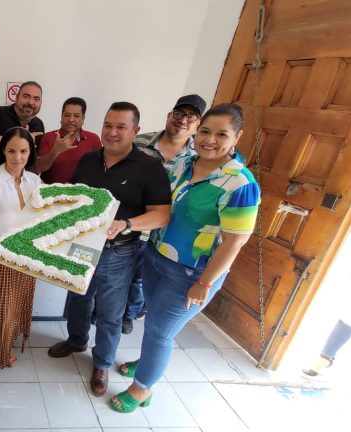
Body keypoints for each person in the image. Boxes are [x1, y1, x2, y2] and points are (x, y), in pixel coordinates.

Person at [110, 103, 261, 413]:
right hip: (156, 256)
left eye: (221, 134)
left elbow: (235, 242)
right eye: (205, 131)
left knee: (161, 332)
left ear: (237, 137)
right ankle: (147, 362)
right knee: (153, 321)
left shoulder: (240, 184)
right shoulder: (183, 164)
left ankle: (142, 388)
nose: (209, 140)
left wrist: (205, 283)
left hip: (192, 274)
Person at [47, 102, 172, 398]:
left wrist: (127, 223)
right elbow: (77, 197)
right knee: (78, 298)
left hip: (119, 251)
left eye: (121, 127)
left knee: (110, 312)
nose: (112, 132)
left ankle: (102, 363)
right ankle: (77, 340)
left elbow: (161, 215)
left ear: (135, 131)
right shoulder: (88, 159)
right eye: (108, 125)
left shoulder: (149, 167)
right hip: (82, 246)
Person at [121, 94, 207, 335]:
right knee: (120, 273)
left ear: (198, 124)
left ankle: (129, 315)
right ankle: (109, 310)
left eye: (191, 117)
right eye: (179, 114)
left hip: (165, 234)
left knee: (140, 280)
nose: (183, 120)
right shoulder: (140, 142)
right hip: (130, 223)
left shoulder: (199, 156)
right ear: (169, 115)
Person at [0, 126, 42, 388]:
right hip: (0, 256)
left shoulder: (35, 181)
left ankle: (4, 347)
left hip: (28, 257)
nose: (17, 157)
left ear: (30, 152)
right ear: (3, 150)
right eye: (12, 151)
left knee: (18, 306)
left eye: (23, 151)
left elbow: (42, 218)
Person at [0, 81, 44, 175]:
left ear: (41, 103)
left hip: (21, 182)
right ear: (17, 98)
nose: (30, 102)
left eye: (36, 99)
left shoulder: (39, 124)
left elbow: (33, 161)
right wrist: (22, 139)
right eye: (26, 96)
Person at [35, 96, 101, 184]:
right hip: (49, 191)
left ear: (83, 119)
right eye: (67, 115)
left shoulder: (94, 139)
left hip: (81, 192)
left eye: (76, 116)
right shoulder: (48, 137)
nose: (71, 119)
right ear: (61, 117)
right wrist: (55, 151)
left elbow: (98, 172)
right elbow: (38, 168)